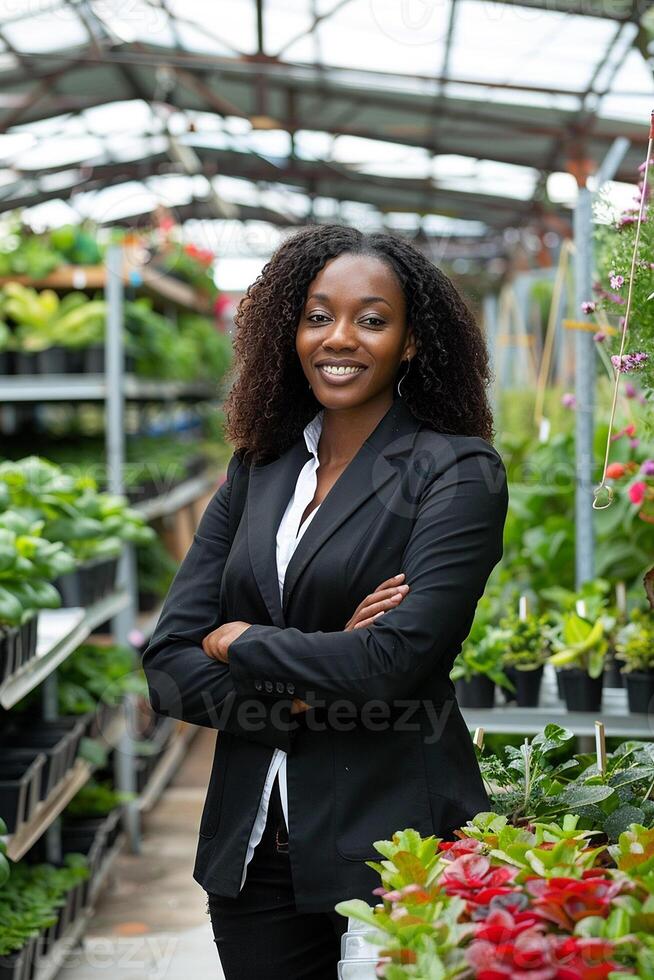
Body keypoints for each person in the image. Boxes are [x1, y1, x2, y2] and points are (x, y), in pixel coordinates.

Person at [141, 224, 509, 979]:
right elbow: (169, 664)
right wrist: (304, 696)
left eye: (372, 319)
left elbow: (394, 662)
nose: (339, 338)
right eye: (317, 316)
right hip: (250, 852)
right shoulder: (259, 468)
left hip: (392, 843)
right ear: (290, 329)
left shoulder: (455, 473)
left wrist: (241, 640)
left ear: (410, 341)